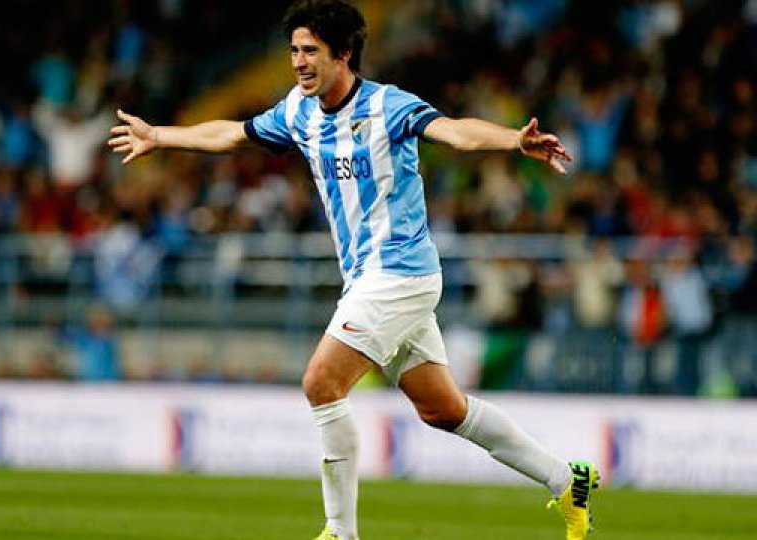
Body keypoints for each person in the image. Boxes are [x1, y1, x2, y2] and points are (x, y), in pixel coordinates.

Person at [107, 1, 597, 538]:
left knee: (321, 382)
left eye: (310, 51)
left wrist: (512, 140)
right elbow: (234, 134)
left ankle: (340, 532)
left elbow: (453, 131)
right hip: (369, 278)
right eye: (294, 50)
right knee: (443, 410)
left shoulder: (388, 106)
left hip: (400, 271)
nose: (298, 62)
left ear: (343, 55)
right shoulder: (298, 111)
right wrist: (161, 136)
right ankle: (564, 478)